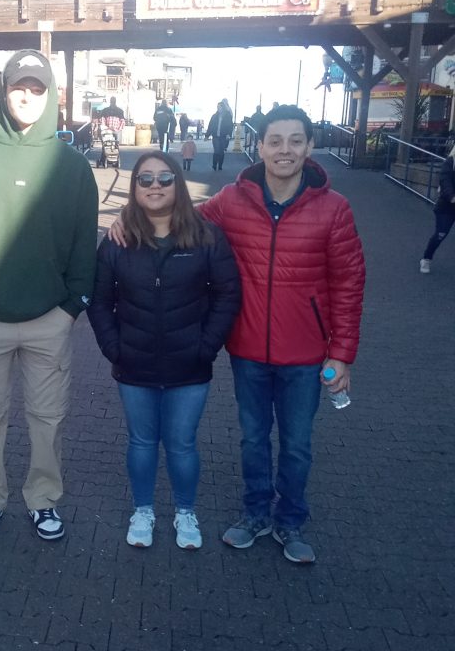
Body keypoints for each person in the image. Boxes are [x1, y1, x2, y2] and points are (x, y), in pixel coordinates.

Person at [111, 105, 365, 564]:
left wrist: (342, 354)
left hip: (307, 353)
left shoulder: (334, 209)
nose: (284, 150)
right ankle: (254, 514)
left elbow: (349, 283)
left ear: (309, 147)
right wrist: (130, 220)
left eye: (294, 141)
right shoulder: (232, 199)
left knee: (297, 443)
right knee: (252, 438)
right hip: (248, 349)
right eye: (275, 140)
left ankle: (289, 521)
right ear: (260, 145)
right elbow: (182, 214)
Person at [0, 49, 99, 542]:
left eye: (37, 88)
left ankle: (43, 499)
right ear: (4, 91)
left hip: (49, 318)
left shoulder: (73, 167)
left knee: (47, 418)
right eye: (19, 87)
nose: (27, 97)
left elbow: (84, 243)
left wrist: (73, 307)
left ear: (50, 94)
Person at [89, 152, 240, 550]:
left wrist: (206, 347)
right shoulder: (118, 241)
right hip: (133, 362)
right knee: (141, 441)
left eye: (164, 178)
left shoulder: (207, 236)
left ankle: (185, 511)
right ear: (134, 188)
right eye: (145, 179)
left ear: (178, 184)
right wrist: (112, 347)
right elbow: (100, 301)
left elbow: (228, 296)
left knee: (182, 443)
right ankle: (143, 510)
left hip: (189, 364)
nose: (155, 186)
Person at [420, 145, 455, 272]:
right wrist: (451, 196)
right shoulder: (450, 162)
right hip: (447, 206)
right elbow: (445, 181)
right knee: (440, 234)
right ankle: (426, 259)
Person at [206, 101, 234, 171]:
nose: (218, 108)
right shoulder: (214, 116)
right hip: (215, 136)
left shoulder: (228, 116)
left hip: (223, 136)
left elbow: (230, 126)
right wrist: (207, 135)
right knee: (216, 151)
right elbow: (210, 126)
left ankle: (220, 165)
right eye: (217, 107)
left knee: (221, 151)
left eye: (220, 107)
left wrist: (229, 134)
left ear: (223, 107)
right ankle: (214, 165)